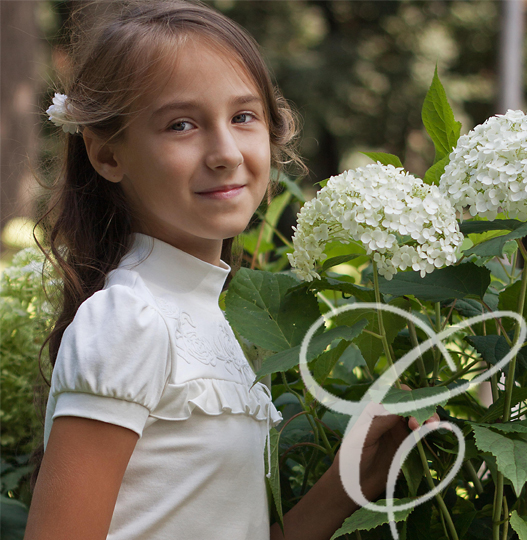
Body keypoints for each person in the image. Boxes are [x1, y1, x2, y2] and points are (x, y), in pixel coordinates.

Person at [25, 2, 438, 539]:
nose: (224, 152)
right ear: (107, 155)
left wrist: (347, 480)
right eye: (181, 125)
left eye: (243, 117)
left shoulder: (202, 316)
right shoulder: (130, 318)